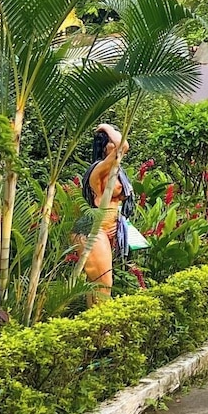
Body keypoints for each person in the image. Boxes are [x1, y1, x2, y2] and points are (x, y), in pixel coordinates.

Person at [73, 123, 134, 305]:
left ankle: (93, 319)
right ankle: (102, 321)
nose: (115, 145)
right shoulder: (99, 168)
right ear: (103, 146)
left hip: (108, 229)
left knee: (97, 284)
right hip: (92, 229)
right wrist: (105, 127)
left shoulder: (116, 171)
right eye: (111, 142)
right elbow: (123, 145)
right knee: (104, 283)